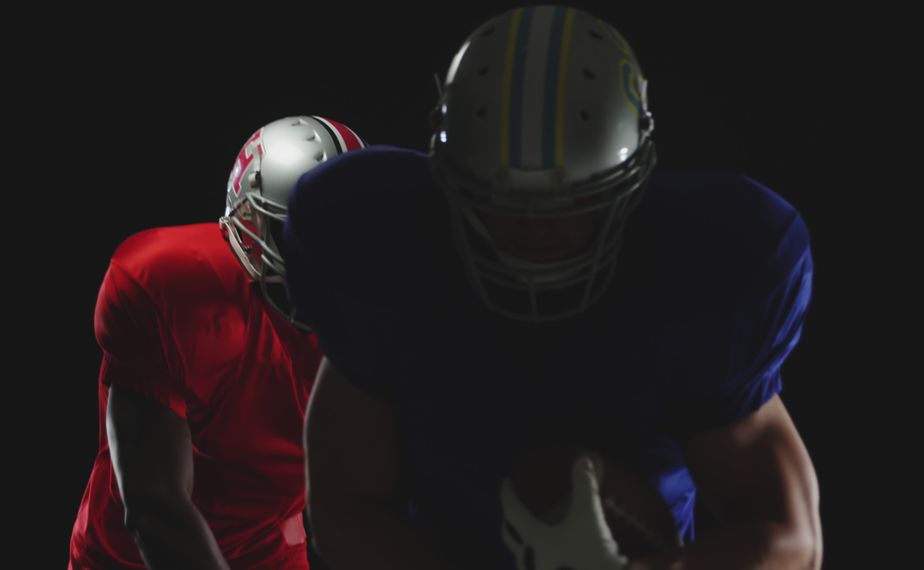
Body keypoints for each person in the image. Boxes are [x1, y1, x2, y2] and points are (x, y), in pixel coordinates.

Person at [290, 6, 822, 569]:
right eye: (502, 203)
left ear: (629, 187)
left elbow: (789, 539)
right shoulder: (386, 254)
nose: (532, 232)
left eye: (568, 205)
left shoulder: (699, 276)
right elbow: (346, 509)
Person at [68, 116, 365, 569]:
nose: (320, 261)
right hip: (129, 561)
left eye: (341, 237)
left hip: (269, 551)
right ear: (247, 216)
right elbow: (154, 508)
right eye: (296, 234)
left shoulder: (387, 304)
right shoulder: (172, 285)